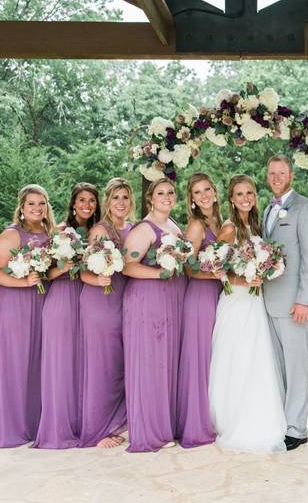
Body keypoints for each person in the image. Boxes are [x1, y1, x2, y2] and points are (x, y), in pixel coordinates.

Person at [208, 174, 287, 453]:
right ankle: (232, 418)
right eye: (239, 194)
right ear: (231, 199)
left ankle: (259, 414)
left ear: (255, 196)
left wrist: (264, 271)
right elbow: (218, 270)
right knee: (237, 359)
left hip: (255, 303)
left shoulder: (256, 225)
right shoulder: (229, 228)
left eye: (249, 193)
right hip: (236, 302)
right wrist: (247, 280)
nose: (245, 198)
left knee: (256, 358)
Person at [0, 184, 54, 447]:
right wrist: (23, 282)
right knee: (14, 363)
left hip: (39, 303)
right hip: (13, 304)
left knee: (36, 363)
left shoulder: (50, 234)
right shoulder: (12, 235)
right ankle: (9, 427)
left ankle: (33, 424)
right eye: (31, 204)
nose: (37, 208)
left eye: (42, 203)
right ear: (22, 209)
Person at [261, 155, 308, 451]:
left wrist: (305, 301)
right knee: (280, 369)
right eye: (271, 173)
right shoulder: (267, 209)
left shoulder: (305, 208)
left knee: (298, 367)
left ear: (291, 175)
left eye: (281, 172)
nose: (275, 177)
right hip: (270, 302)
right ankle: (283, 422)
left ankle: (296, 428)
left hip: (295, 304)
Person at [121, 178, 186, 452]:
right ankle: (149, 431)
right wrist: (161, 272)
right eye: (160, 193)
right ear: (150, 198)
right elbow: (127, 266)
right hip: (147, 301)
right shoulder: (144, 228)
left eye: (170, 192)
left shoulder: (174, 226)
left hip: (170, 300)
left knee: (165, 362)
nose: (167, 197)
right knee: (148, 363)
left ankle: (165, 425)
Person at [34, 182, 100, 449]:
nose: (86, 205)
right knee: (62, 363)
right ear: (73, 203)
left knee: (84, 363)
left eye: (92, 201)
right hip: (62, 298)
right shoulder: (61, 231)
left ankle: (86, 424)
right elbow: (45, 273)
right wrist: (65, 267)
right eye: (82, 200)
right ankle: (59, 428)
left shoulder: (99, 232)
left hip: (89, 300)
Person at [77, 177, 134, 448]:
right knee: (101, 364)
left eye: (125, 197)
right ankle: (97, 430)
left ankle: (118, 423)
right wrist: (98, 280)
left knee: (119, 364)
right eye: (115, 198)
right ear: (107, 202)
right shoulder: (101, 230)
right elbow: (83, 272)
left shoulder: (134, 228)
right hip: (100, 299)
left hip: (124, 298)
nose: (120, 203)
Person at [175, 173, 223, 448]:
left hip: (218, 294)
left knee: (213, 357)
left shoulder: (220, 221)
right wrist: (216, 275)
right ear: (191, 199)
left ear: (215, 192)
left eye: (207, 189)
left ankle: (214, 415)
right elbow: (188, 267)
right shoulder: (196, 225)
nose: (204, 195)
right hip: (201, 295)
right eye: (197, 192)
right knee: (199, 357)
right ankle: (194, 423)